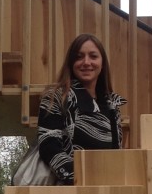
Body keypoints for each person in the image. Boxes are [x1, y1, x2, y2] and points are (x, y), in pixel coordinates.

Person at [37, 33, 125, 185]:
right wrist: (79, 178)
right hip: (70, 192)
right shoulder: (56, 97)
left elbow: (116, 154)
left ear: (102, 63)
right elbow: (48, 145)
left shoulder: (111, 105)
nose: (86, 62)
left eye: (93, 56)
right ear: (71, 63)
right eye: (79, 57)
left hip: (107, 190)